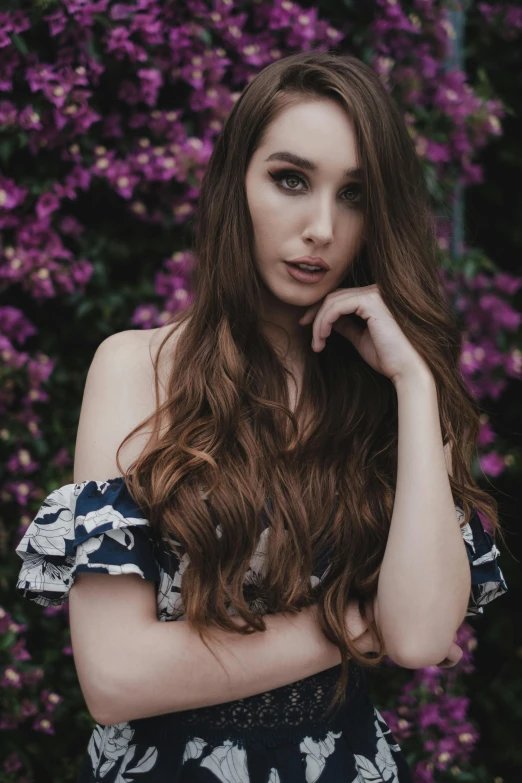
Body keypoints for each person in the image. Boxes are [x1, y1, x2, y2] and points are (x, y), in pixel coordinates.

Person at [15, 50, 508, 783]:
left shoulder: (387, 390)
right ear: (233, 185)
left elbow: (419, 634)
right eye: (290, 179)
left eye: (353, 195)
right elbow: (116, 678)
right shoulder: (136, 369)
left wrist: (413, 382)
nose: (319, 227)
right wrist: (348, 623)